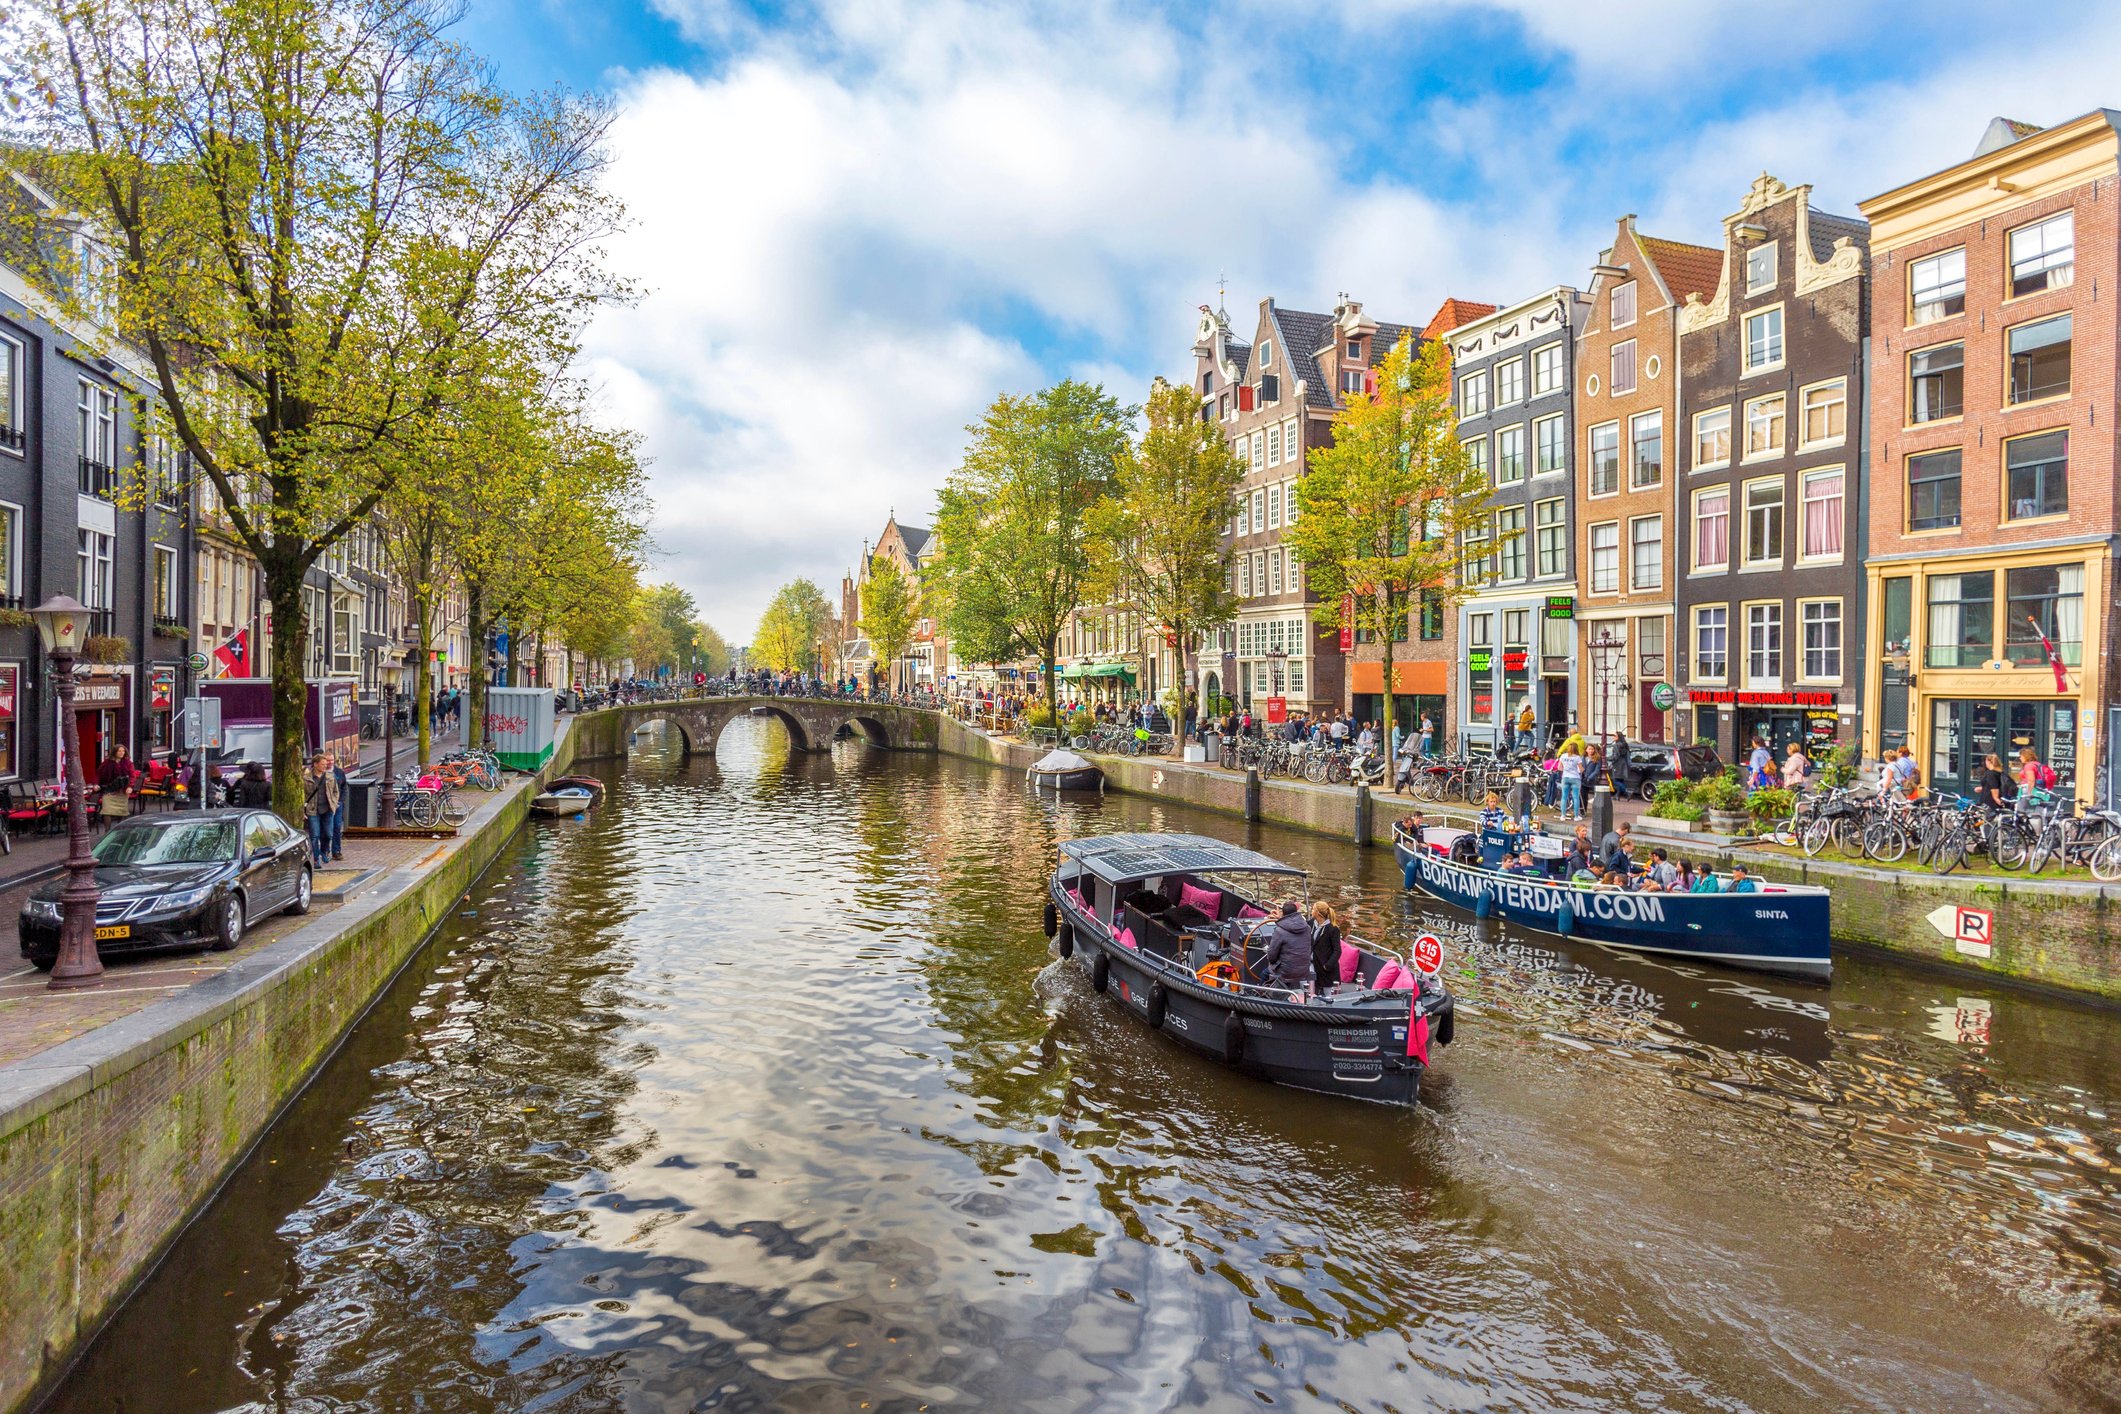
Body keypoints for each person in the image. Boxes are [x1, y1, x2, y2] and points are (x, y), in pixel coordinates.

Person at [1261, 900, 1315, 990]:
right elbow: (1310, 947)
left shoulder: (1279, 931)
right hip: (1304, 969)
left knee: (1264, 974)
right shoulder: (1307, 928)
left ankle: (1265, 997)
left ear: (1283, 914)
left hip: (1285, 971)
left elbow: (1271, 956)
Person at [304, 753, 339, 860]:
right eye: (323, 764)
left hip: (327, 810)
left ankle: (324, 851)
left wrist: (333, 802)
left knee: (328, 834)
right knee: (315, 836)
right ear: (315, 764)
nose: (325, 766)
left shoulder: (330, 777)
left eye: (326, 764)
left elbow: (335, 791)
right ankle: (315, 858)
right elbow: (304, 795)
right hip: (313, 810)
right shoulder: (306, 778)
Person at [1309, 902, 1346, 994]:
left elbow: (1337, 950)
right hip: (1313, 964)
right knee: (1312, 990)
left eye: (1313, 909)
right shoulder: (1311, 924)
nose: (1311, 910)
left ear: (1318, 913)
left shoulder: (1333, 929)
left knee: (1328, 993)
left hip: (1325, 967)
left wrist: (1327, 965)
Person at [327, 751, 349, 862]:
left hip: (337, 805)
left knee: (336, 827)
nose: (330, 762)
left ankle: (336, 851)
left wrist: (341, 801)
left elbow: (344, 786)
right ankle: (325, 850)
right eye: (328, 760)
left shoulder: (339, 772)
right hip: (325, 805)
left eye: (332, 760)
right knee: (326, 829)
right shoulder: (321, 772)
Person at [1558, 739, 1585, 820]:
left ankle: (1563, 815)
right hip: (1575, 778)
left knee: (1564, 797)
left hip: (1565, 777)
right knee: (1576, 797)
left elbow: (1559, 768)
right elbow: (1581, 769)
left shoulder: (1563, 756)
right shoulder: (1577, 758)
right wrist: (1581, 770)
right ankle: (1576, 816)